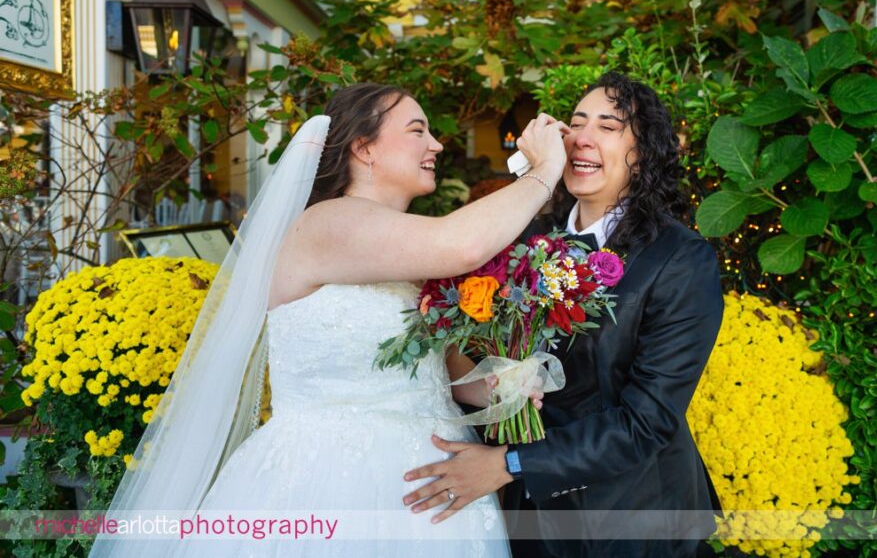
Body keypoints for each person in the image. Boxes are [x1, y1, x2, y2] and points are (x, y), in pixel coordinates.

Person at [89, 83, 566, 557]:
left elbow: (445, 377)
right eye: (417, 131)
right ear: (364, 148)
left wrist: (506, 384)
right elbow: (461, 245)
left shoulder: (403, 251)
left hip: (433, 483)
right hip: (329, 480)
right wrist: (544, 170)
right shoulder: (325, 224)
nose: (436, 145)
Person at [402, 71, 724, 557]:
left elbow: (648, 419)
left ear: (645, 153)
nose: (584, 137)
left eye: (609, 126)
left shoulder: (680, 260)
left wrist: (509, 463)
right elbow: (484, 362)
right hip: (528, 519)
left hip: (633, 518)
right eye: (576, 122)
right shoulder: (523, 242)